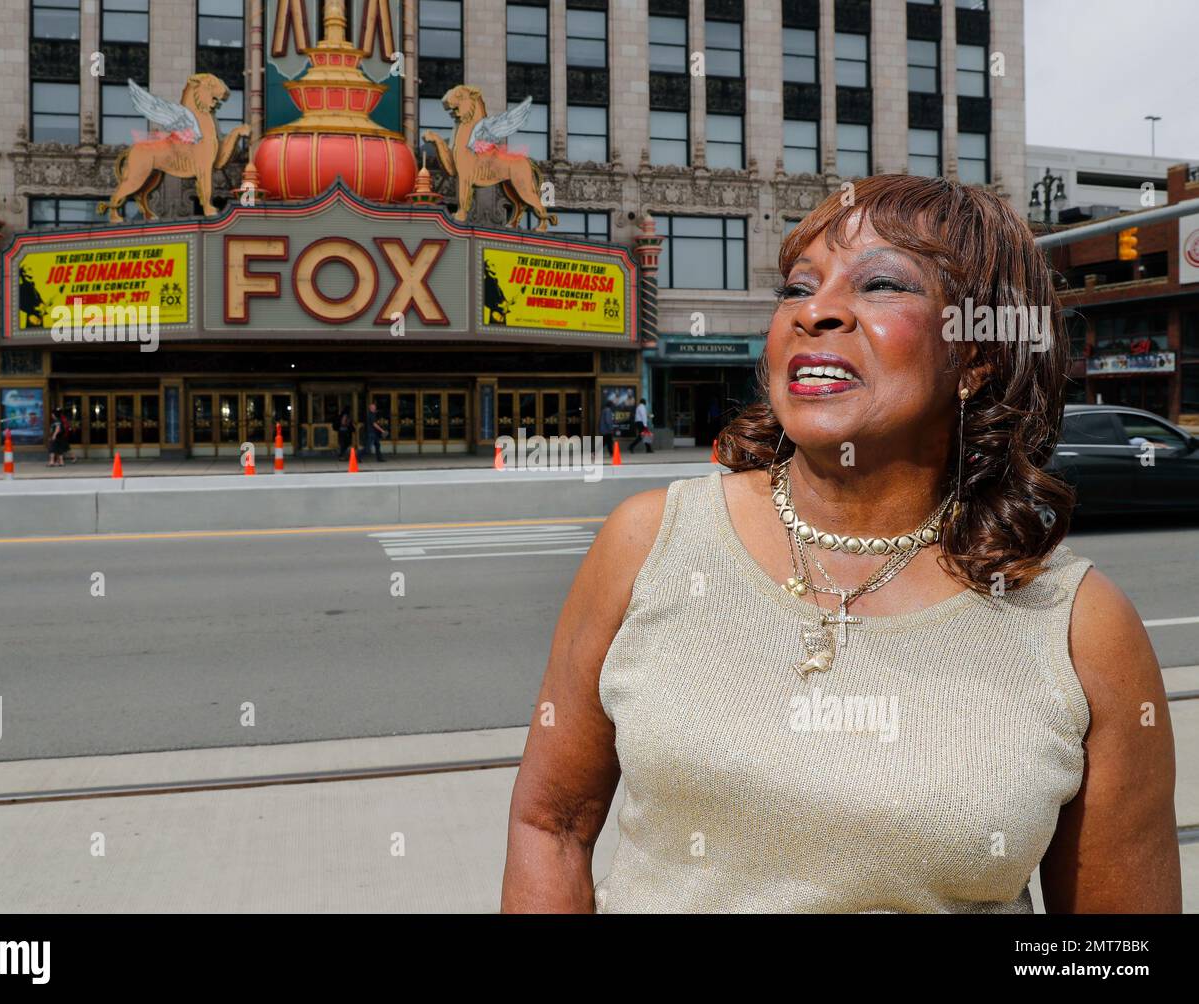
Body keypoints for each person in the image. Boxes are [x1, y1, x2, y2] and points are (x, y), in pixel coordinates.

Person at [501, 174, 1180, 914]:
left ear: (977, 354)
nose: (817, 311)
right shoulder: (648, 541)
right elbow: (552, 825)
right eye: (797, 287)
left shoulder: (1081, 627)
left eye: (882, 284)